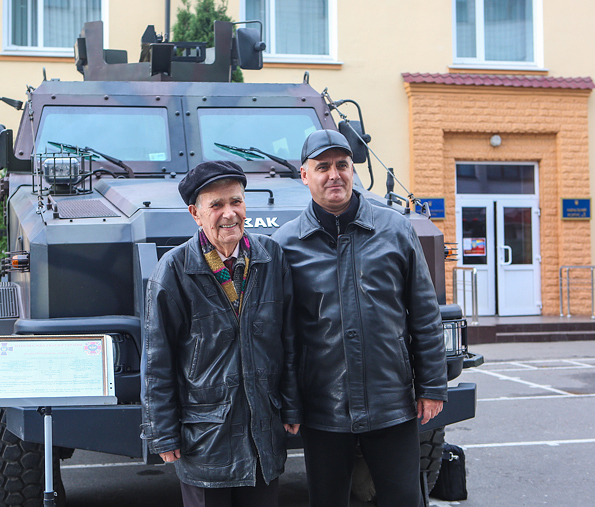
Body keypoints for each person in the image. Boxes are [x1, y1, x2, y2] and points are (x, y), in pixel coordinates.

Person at [272, 130, 447, 507]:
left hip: (391, 400)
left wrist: (432, 385)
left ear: (353, 170)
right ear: (305, 175)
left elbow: (424, 312)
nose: (334, 175)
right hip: (323, 406)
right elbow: (284, 334)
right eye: (322, 167)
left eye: (342, 165)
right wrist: (290, 402)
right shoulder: (285, 244)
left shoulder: (396, 229)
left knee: (404, 500)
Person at [141, 160, 301, 507]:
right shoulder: (173, 270)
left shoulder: (271, 257)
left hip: (262, 435)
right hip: (206, 438)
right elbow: (157, 360)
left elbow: (287, 340)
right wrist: (162, 431)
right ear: (195, 214)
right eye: (216, 205)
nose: (229, 213)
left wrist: (291, 406)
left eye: (236, 201)